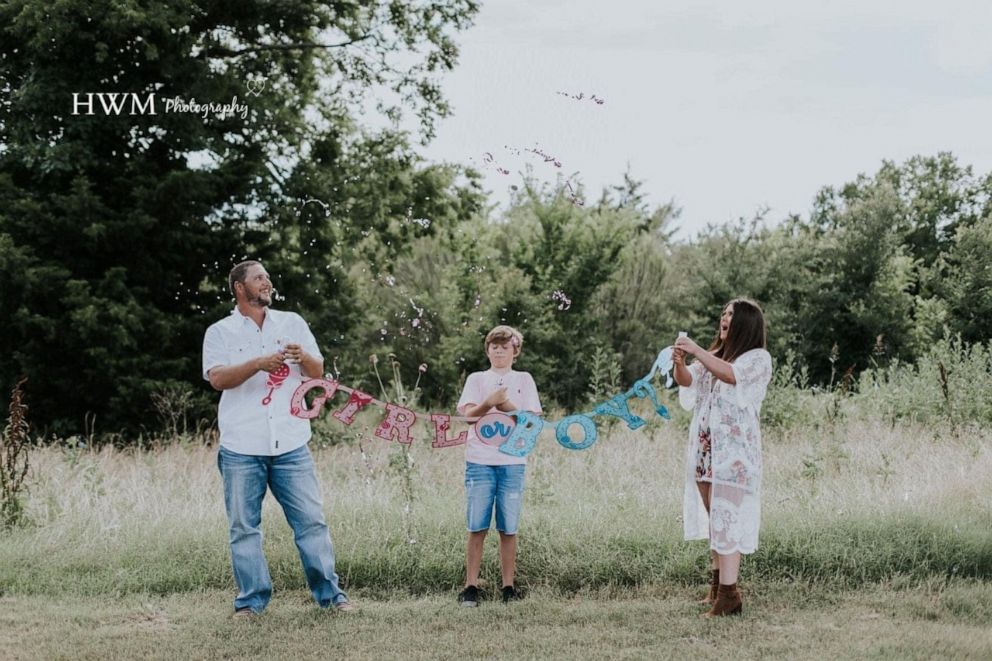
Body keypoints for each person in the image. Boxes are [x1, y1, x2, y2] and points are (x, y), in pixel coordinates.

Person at [202, 260, 355, 617]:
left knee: (312, 522)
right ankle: (251, 602)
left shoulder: (293, 323)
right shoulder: (220, 332)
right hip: (242, 446)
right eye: (258, 278)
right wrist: (257, 363)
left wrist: (306, 357)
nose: (266, 282)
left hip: (290, 442)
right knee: (244, 528)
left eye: (267, 277)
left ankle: (331, 597)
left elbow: (317, 374)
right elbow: (218, 379)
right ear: (240, 288)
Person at [673, 298, 772, 617]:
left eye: (731, 314)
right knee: (716, 520)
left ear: (745, 323)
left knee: (727, 517)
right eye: (723, 313)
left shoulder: (757, 359)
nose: (724, 318)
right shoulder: (716, 355)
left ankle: (730, 596)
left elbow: (732, 376)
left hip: (734, 455)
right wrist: (679, 362)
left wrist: (697, 349)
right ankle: (717, 589)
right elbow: (688, 380)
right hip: (706, 451)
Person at [455, 325, 542, 606]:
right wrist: (488, 403)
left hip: (512, 461)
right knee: (477, 525)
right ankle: (470, 586)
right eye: (494, 346)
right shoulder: (477, 379)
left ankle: (508, 587)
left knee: (509, 526)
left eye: (505, 346)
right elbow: (467, 417)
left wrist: (505, 406)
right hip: (479, 460)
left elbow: (530, 421)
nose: (499, 351)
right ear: (487, 350)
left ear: (515, 351)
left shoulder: (524, 379)